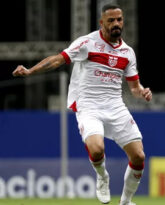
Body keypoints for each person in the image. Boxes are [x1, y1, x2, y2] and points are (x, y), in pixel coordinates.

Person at [12, 4, 150, 205]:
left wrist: (143, 92)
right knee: (96, 150)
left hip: (115, 107)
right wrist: (31, 71)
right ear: (102, 23)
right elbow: (58, 59)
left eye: (119, 19)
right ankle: (102, 176)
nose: (116, 24)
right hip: (89, 106)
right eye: (111, 20)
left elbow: (135, 87)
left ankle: (125, 202)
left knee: (138, 156)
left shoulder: (128, 52)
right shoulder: (88, 43)